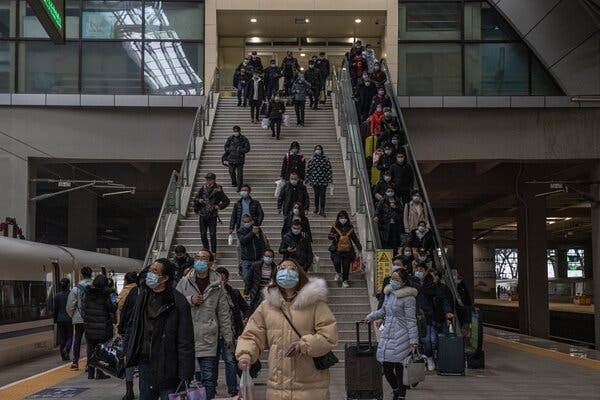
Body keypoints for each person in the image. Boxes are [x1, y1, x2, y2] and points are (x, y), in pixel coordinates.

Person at [236, 260, 338, 400]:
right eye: (282, 268)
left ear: (299, 274)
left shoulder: (315, 304)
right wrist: (246, 354)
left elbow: (328, 336)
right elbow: (252, 334)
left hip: (310, 386)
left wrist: (303, 345)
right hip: (277, 386)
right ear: (275, 273)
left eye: (292, 268)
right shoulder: (267, 306)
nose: (286, 272)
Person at [125, 259, 195, 400]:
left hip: (169, 366)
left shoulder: (178, 302)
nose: (150, 274)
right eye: (150, 270)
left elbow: (185, 340)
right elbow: (134, 325)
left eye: (155, 271)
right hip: (146, 363)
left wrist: (185, 374)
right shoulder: (143, 297)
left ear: (165, 278)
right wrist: (127, 349)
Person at [176, 250, 232, 400]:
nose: (200, 261)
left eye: (204, 258)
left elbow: (223, 312)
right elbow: (174, 305)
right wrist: (190, 300)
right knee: (187, 377)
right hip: (187, 337)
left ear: (211, 263)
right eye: (198, 258)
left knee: (209, 377)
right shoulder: (184, 282)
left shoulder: (217, 285)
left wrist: (228, 336)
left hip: (209, 336)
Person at [365, 269, 418, 400]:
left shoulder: (409, 298)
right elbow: (383, 311)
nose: (393, 281)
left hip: (402, 335)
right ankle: (395, 390)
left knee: (400, 368)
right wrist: (370, 317)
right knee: (387, 367)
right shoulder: (390, 294)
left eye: (397, 279)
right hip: (388, 333)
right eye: (392, 279)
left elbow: (411, 320)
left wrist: (413, 340)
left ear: (404, 282)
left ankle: (401, 396)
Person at [214, 267, 252, 398]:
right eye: (217, 277)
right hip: (212, 334)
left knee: (230, 361)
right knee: (212, 361)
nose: (220, 280)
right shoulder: (209, 292)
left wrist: (246, 317)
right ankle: (211, 388)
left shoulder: (234, 293)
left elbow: (246, 308)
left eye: (222, 278)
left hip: (229, 333)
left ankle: (232, 390)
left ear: (227, 279)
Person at [83, 274, 115, 380]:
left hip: (90, 326)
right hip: (102, 326)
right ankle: (99, 373)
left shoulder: (88, 293)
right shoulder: (106, 294)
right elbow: (111, 308)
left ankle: (90, 373)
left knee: (90, 349)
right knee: (101, 350)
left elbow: (83, 308)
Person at [193, 172, 230, 254]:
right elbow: (196, 198)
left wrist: (219, 206)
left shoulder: (218, 189)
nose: (208, 181)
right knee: (203, 234)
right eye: (207, 179)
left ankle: (213, 253)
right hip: (202, 214)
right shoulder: (203, 188)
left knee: (212, 234)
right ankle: (206, 252)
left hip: (212, 215)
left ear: (213, 180)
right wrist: (199, 200)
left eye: (209, 179)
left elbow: (226, 201)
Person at [66, 266, 93, 370]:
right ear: (91, 274)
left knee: (77, 339)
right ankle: (89, 364)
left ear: (82, 274)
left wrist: (73, 316)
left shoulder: (76, 288)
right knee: (90, 341)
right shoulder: (95, 286)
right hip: (91, 318)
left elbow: (70, 306)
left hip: (78, 318)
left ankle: (75, 363)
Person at [116, 272, 138, 400]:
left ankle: (129, 390)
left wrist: (120, 328)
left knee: (129, 359)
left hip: (130, 330)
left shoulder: (129, 292)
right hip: (146, 332)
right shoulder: (144, 292)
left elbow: (122, 311)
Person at [328, 210, 362, 288]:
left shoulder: (350, 227)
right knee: (336, 262)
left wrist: (359, 247)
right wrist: (333, 235)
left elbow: (354, 238)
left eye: (344, 217)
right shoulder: (335, 227)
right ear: (338, 218)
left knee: (346, 265)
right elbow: (329, 237)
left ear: (347, 218)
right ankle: (338, 272)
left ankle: (345, 280)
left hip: (347, 250)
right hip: (336, 249)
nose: (342, 219)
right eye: (341, 217)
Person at [238, 214, 268, 288]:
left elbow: (262, 243)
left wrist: (257, 234)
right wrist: (252, 233)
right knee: (246, 277)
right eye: (245, 222)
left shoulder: (258, 230)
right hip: (246, 259)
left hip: (257, 259)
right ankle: (248, 291)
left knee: (257, 279)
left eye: (248, 221)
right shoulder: (241, 230)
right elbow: (243, 241)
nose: (247, 223)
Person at [306, 145, 333, 217]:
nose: (318, 150)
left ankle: (322, 209)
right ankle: (316, 208)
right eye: (317, 149)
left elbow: (329, 170)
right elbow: (309, 170)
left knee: (323, 195)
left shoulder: (326, 159)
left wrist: (330, 179)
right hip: (315, 180)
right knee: (316, 195)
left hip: (323, 180)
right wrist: (307, 179)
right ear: (314, 150)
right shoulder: (312, 160)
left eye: (319, 149)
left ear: (322, 150)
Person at [374, 187, 404, 253]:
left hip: (395, 224)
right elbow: (378, 209)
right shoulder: (383, 200)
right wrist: (376, 216)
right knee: (386, 240)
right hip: (385, 224)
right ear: (386, 192)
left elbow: (401, 210)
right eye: (388, 191)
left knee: (395, 241)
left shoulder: (397, 200)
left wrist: (396, 207)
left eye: (391, 191)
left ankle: (395, 255)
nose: (390, 192)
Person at [224, 125, 251, 192]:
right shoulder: (230, 138)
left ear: (239, 131)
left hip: (239, 159)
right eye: (234, 131)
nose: (235, 132)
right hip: (231, 158)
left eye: (236, 131)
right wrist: (229, 150)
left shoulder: (244, 139)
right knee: (231, 172)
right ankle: (234, 183)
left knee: (239, 174)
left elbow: (247, 148)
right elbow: (226, 146)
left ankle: (239, 186)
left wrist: (240, 150)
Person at [53, 278, 72, 361]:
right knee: (70, 336)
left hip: (60, 319)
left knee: (62, 338)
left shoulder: (57, 295)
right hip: (69, 319)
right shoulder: (71, 294)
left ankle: (63, 356)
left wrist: (55, 320)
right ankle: (67, 349)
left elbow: (55, 309)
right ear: (68, 285)